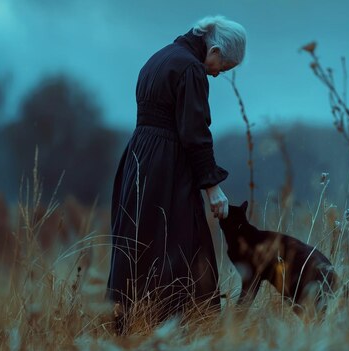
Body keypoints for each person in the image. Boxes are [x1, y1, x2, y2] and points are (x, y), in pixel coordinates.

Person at [106, 16, 246, 329]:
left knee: (139, 240)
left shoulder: (157, 59)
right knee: (180, 241)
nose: (217, 73)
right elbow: (195, 132)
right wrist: (213, 188)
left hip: (138, 159)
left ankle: (127, 323)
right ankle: (183, 325)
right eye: (222, 67)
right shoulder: (191, 69)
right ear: (214, 50)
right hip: (167, 165)